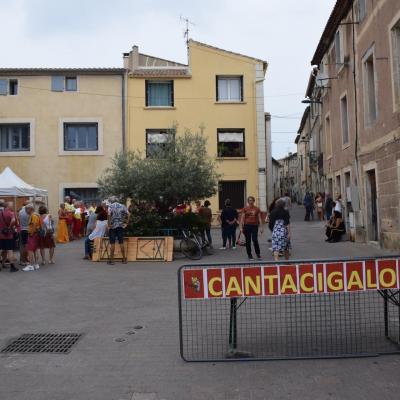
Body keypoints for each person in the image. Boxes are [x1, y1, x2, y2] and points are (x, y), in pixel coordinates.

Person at [239, 196, 263, 260]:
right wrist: (241, 227)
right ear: (248, 201)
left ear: (253, 201)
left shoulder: (257, 209)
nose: (250, 201)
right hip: (247, 226)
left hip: (254, 226)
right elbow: (242, 218)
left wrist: (261, 227)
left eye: (252, 200)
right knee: (248, 241)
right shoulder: (245, 209)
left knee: (255, 240)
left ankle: (258, 254)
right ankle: (249, 255)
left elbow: (260, 218)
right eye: (249, 200)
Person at [107, 196, 130, 265]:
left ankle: (111, 260)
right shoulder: (122, 206)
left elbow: (108, 215)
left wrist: (109, 224)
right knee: (121, 242)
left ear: (112, 201)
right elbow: (128, 214)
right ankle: (124, 259)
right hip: (120, 226)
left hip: (113, 226)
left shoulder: (110, 206)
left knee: (112, 243)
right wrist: (126, 223)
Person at [0, 200, 18, 272]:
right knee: (10, 250)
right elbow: (13, 221)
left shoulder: (0, 213)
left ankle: (2, 264)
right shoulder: (11, 213)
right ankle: (12, 267)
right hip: (8, 235)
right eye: (11, 205)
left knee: (2, 250)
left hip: (1, 234)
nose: (12, 206)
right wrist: (9, 227)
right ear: (7, 206)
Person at [23, 204, 40, 271]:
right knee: (35, 250)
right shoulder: (35, 215)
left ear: (30, 209)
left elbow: (34, 225)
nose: (25, 211)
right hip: (35, 234)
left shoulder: (33, 215)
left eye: (26, 209)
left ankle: (31, 265)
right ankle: (36, 264)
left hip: (33, 234)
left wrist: (31, 233)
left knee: (30, 250)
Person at [18, 201, 30, 266]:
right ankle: (26, 259)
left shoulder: (20, 211)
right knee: (26, 246)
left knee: (21, 246)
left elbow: (18, 221)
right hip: (27, 230)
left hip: (21, 229)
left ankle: (21, 260)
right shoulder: (28, 212)